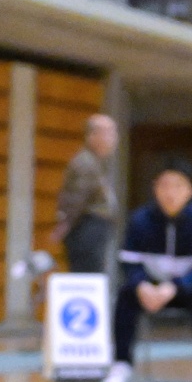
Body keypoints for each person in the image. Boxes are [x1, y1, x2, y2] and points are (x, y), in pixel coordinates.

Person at [106, 160, 192, 382]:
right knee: (125, 296)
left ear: (190, 190)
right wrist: (141, 285)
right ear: (155, 188)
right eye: (164, 185)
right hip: (151, 289)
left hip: (189, 290)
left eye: (178, 186)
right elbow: (128, 262)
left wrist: (175, 288)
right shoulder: (139, 221)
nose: (170, 193)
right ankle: (121, 364)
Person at [50, 113, 119, 276]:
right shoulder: (85, 163)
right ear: (92, 136)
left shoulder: (96, 162)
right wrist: (65, 224)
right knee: (88, 277)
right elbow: (76, 198)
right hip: (86, 229)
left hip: (92, 228)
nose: (114, 138)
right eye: (108, 133)